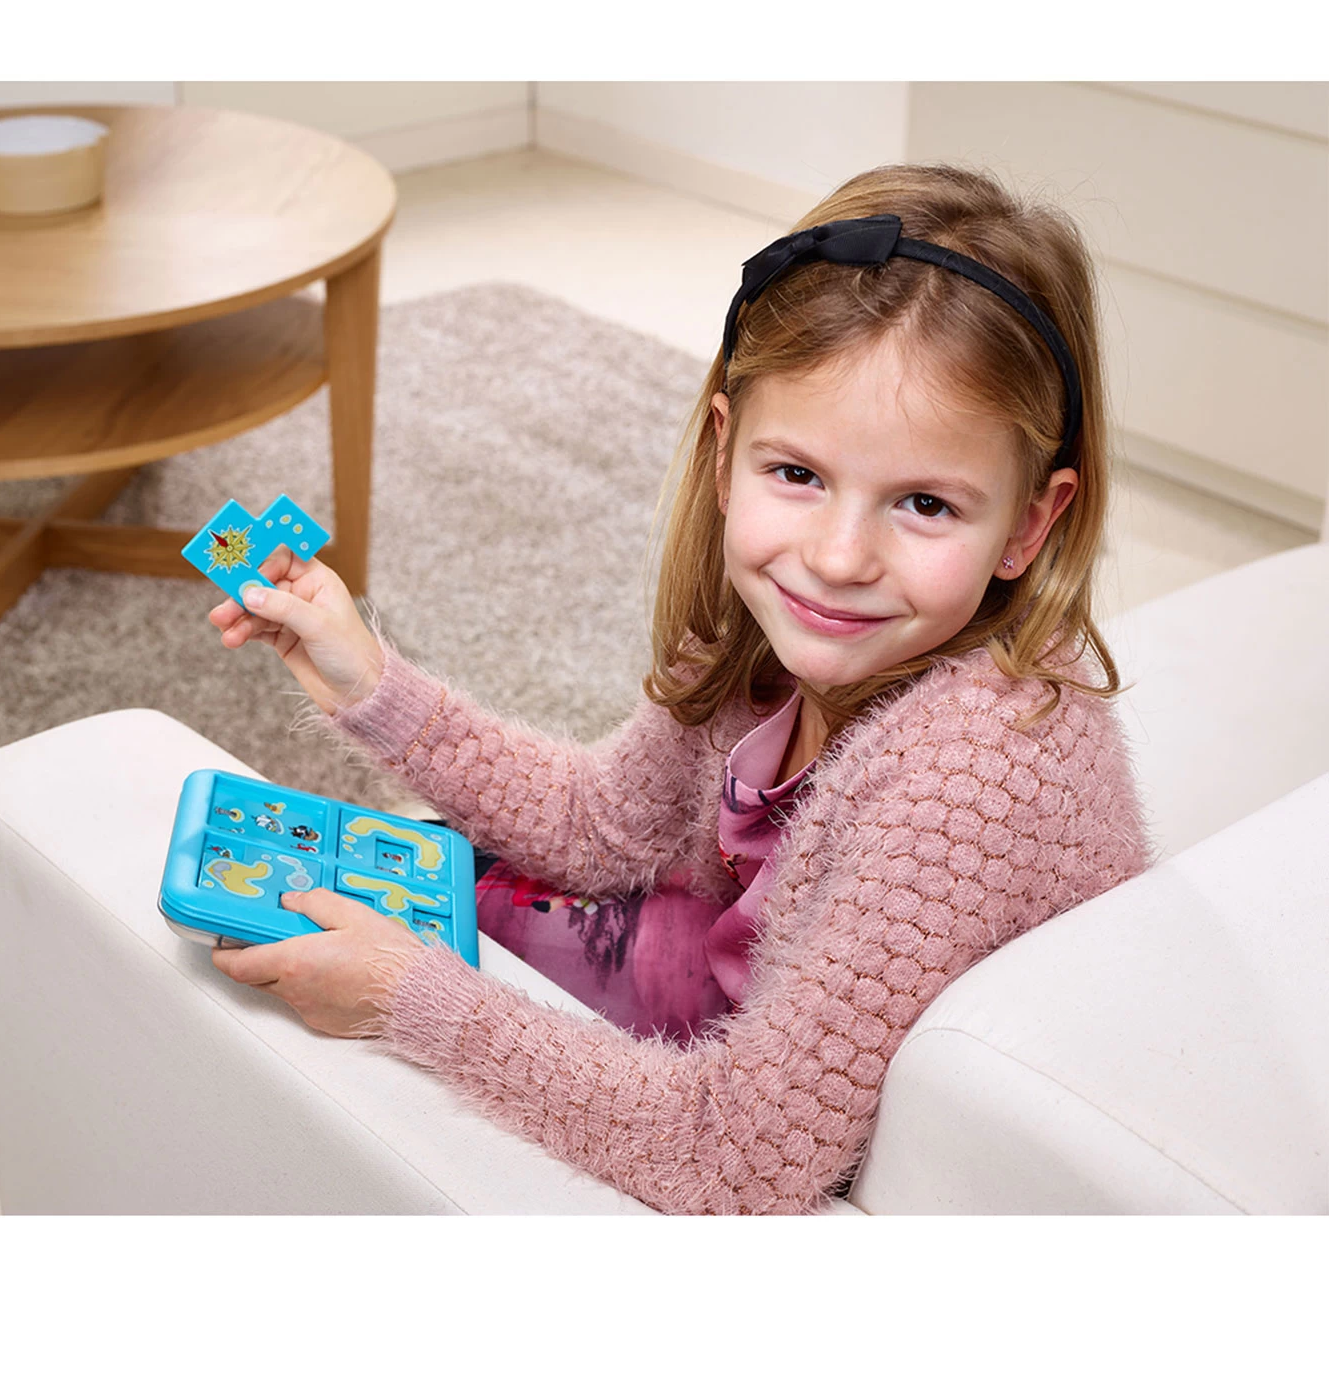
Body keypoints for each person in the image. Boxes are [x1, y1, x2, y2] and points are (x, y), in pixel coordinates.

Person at [206, 162, 1150, 1215]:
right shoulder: (771, 634)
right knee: (406, 874)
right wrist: (371, 682)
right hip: (729, 981)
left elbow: (733, 1159)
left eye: (925, 503)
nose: (837, 558)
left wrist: (404, 999)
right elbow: (597, 826)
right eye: (797, 475)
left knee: (393, 942)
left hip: (791, 1127)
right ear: (723, 451)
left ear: (1031, 524)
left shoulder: (970, 781)